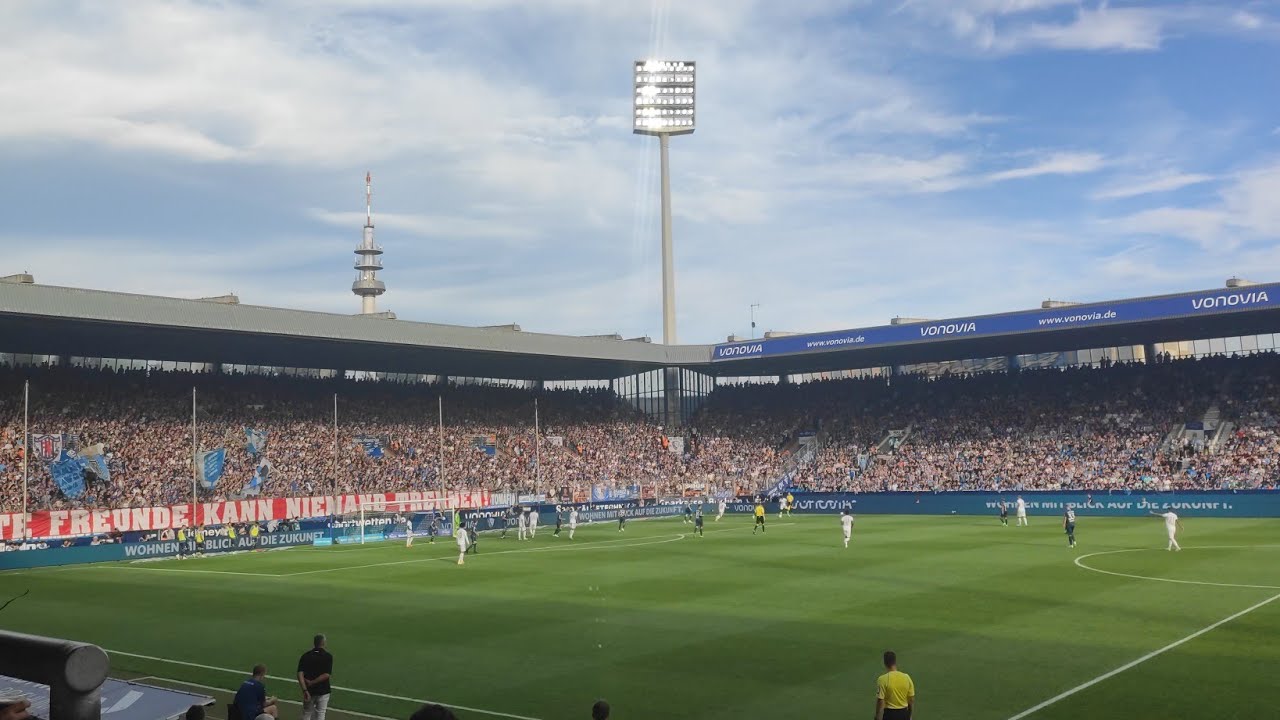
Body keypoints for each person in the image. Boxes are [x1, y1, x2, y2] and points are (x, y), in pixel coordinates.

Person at [297, 634, 333, 720]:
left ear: (314, 643)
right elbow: (326, 674)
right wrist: (313, 682)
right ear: (324, 643)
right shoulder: (328, 656)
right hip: (323, 691)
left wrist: (305, 689)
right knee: (320, 715)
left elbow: (300, 674)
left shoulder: (306, 656)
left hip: (309, 691)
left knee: (306, 713)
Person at [875, 650, 915, 720]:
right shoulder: (906, 677)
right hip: (904, 713)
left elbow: (880, 701)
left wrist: (877, 717)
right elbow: (911, 700)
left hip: (889, 714)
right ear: (895, 662)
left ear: (885, 663)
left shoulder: (882, 679)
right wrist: (910, 715)